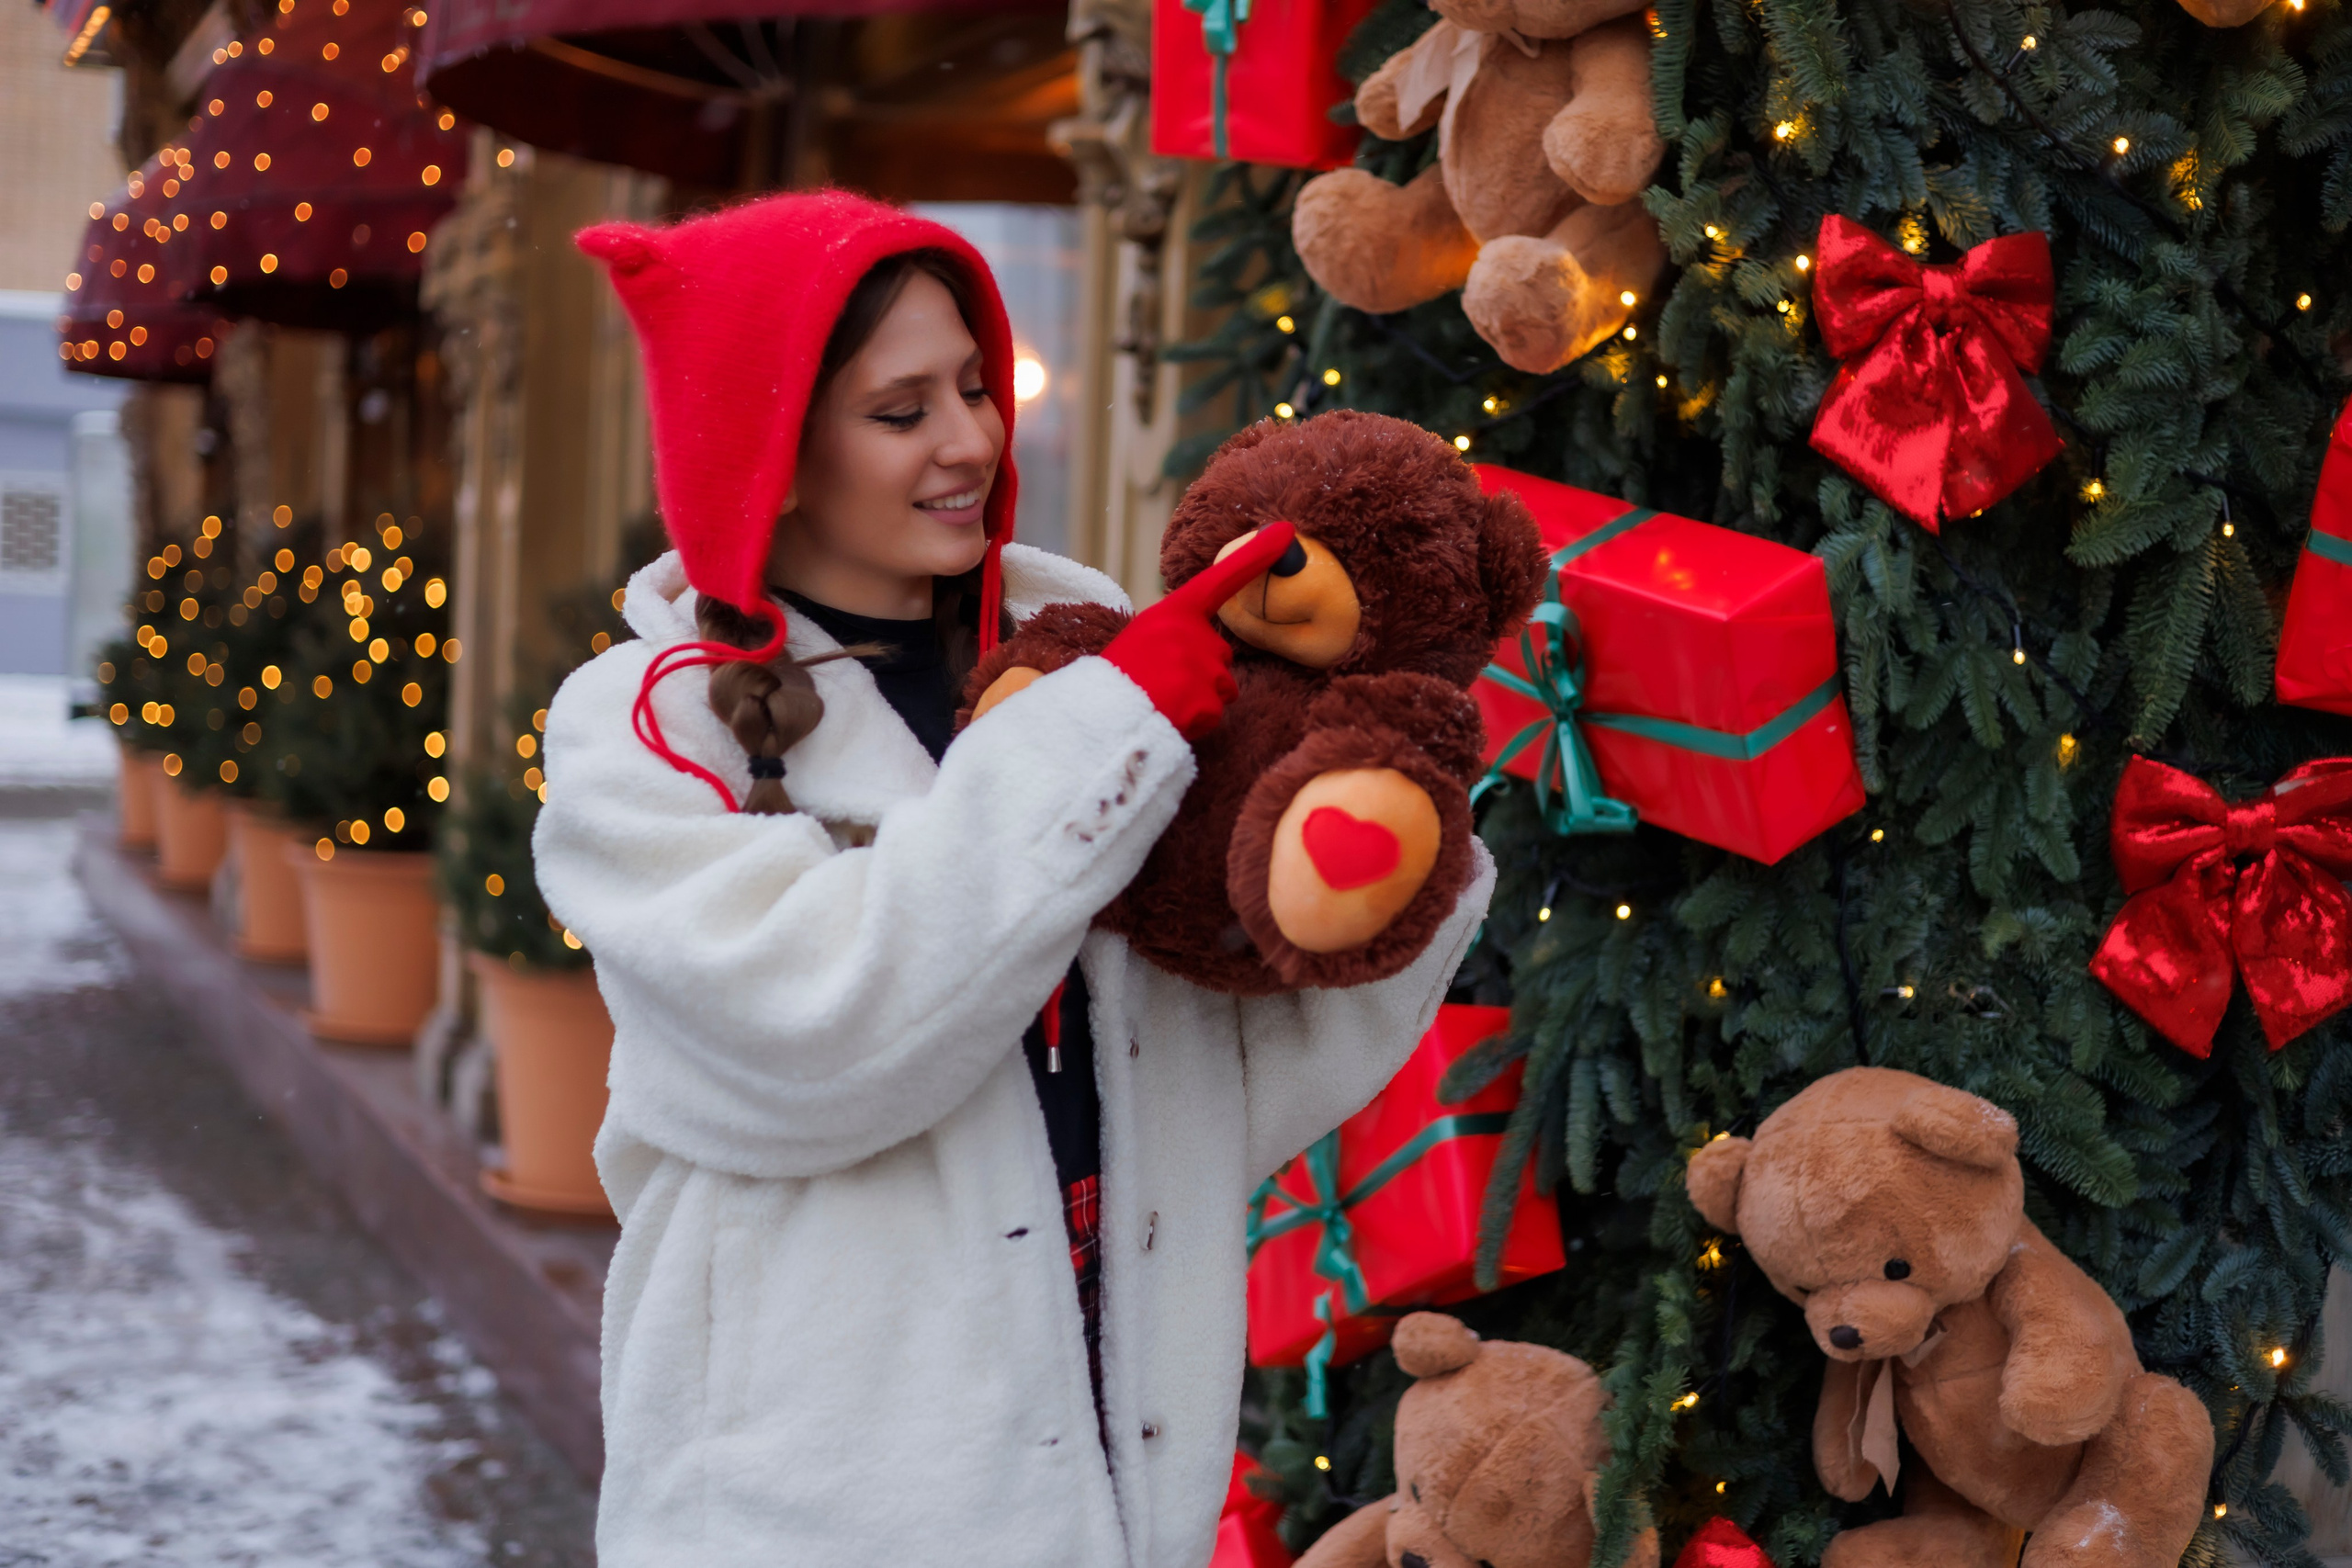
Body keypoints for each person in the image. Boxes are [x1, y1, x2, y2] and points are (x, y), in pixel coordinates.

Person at [537, 190, 1494, 1568]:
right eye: (901, 409)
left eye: (977, 388)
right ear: (774, 450)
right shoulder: (642, 729)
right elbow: (827, 1028)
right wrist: (1110, 733)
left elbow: (1220, 1085)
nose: (973, 441)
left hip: (1101, 1481)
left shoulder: (1100, 677)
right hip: (799, 1507)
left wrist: (1389, 808)